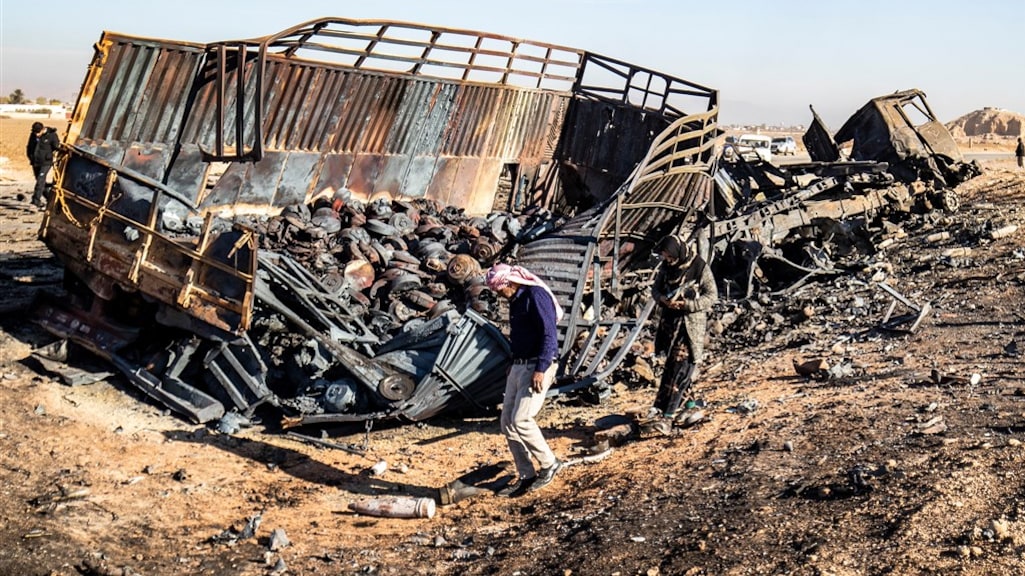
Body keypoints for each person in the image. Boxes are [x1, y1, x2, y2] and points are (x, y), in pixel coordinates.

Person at [485, 263, 564, 497]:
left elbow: (549, 333)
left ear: (510, 282)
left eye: (500, 289)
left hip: (536, 365)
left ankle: (550, 463)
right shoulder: (516, 300)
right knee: (507, 422)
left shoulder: (535, 295)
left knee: (522, 419)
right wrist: (513, 361)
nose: (500, 294)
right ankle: (526, 474)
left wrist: (541, 367)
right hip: (519, 365)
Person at [647, 234, 717, 433]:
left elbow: (711, 296)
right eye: (665, 256)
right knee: (674, 368)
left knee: (680, 369)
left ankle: (667, 417)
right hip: (670, 327)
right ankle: (690, 406)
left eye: (670, 256)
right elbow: (655, 290)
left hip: (690, 327)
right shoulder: (666, 268)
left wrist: (687, 305)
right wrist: (662, 299)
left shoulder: (699, 267)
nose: (667, 259)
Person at [27, 122, 60, 208]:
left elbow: (57, 147)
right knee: (40, 182)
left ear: (42, 129)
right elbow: (29, 147)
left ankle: (35, 201)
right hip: (35, 162)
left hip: (46, 162)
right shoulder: (33, 135)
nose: (36, 134)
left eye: (38, 132)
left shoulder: (52, 135)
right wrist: (31, 157)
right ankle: (49, 198)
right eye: (35, 132)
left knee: (40, 180)